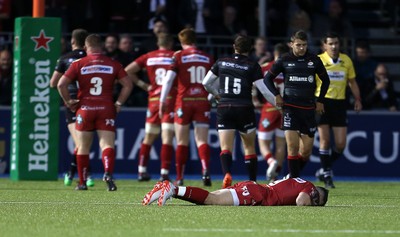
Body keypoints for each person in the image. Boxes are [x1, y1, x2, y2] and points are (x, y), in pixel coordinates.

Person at [57, 34, 133, 191]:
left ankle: (82, 182)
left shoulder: (79, 64)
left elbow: (60, 84)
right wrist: (118, 103)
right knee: (107, 144)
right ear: (102, 47)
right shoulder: (113, 63)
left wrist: (69, 102)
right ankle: (108, 175)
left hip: (85, 108)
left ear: (85, 48)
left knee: (83, 146)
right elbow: (128, 85)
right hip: (106, 108)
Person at [263, 30, 330, 179]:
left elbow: (326, 81)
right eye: (298, 45)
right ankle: (293, 181)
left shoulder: (314, 60)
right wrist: (277, 95)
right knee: (292, 148)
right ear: (291, 44)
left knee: (306, 151)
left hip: (308, 109)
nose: (302, 48)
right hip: (290, 109)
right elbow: (267, 79)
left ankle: (290, 176)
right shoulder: (284, 59)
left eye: (304, 45)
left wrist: (320, 101)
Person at [202, 34, 263, 188]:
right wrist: (277, 103)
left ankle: (227, 173)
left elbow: (206, 83)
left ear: (234, 47)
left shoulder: (222, 61)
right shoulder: (253, 65)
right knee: (249, 146)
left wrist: (217, 95)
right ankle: (252, 182)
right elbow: (263, 88)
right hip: (244, 107)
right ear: (250, 49)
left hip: (225, 106)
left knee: (226, 147)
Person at [159, 28, 213, 186]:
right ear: (195, 39)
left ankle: (180, 177)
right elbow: (213, 81)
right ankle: (205, 170)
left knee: (181, 140)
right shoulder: (207, 57)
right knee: (202, 139)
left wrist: (162, 101)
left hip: (184, 101)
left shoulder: (178, 56)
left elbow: (168, 80)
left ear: (182, 42)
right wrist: (209, 97)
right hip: (202, 101)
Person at [125, 33, 176, 182]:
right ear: (171, 43)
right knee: (167, 138)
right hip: (169, 99)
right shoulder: (174, 56)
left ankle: (141, 171)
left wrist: (144, 85)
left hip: (154, 99)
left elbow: (128, 70)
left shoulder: (149, 56)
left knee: (149, 137)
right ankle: (164, 174)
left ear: (158, 43)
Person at [314, 32, 362, 189]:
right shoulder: (319, 60)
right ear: (324, 45)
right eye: (331, 43)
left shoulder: (346, 60)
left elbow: (352, 82)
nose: (334, 46)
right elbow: (311, 83)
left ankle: (324, 168)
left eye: (336, 43)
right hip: (322, 102)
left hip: (340, 104)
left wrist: (358, 99)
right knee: (325, 140)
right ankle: (327, 173)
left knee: (341, 144)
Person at [49, 28, 96, 187]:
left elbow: (53, 83)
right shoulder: (92, 59)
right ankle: (79, 174)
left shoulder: (64, 58)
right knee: (82, 144)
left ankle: (79, 174)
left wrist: (67, 94)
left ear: (72, 42)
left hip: (71, 103)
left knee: (80, 143)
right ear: (86, 44)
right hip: (88, 102)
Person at [142, 177, 329, 207]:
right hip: (257, 194)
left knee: (208, 198)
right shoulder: (310, 187)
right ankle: (172, 188)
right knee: (212, 200)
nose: (314, 201)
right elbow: (301, 201)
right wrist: (312, 204)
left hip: (254, 187)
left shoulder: (299, 180)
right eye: (316, 200)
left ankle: (169, 191)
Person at [254, 43, 289, 182]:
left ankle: (270, 161)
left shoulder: (266, 68)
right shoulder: (290, 69)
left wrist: (255, 99)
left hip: (269, 107)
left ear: (275, 54)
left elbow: (253, 83)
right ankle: (276, 176)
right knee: (281, 144)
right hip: (284, 109)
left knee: (262, 141)